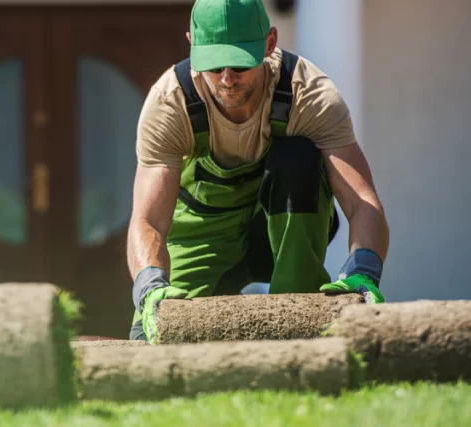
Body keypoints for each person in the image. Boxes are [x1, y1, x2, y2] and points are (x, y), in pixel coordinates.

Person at [127, 0, 389, 343]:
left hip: (285, 231)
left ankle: (298, 311)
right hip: (202, 233)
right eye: (213, 65)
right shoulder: (170, 103)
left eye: (239, 63)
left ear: (269, 43)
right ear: (191, 44)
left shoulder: (308, 94)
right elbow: (148, 220)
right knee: (149, 338)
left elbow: (362, 201)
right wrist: (150, 287)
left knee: (298, 157)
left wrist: (364, 271)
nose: (227, 79)